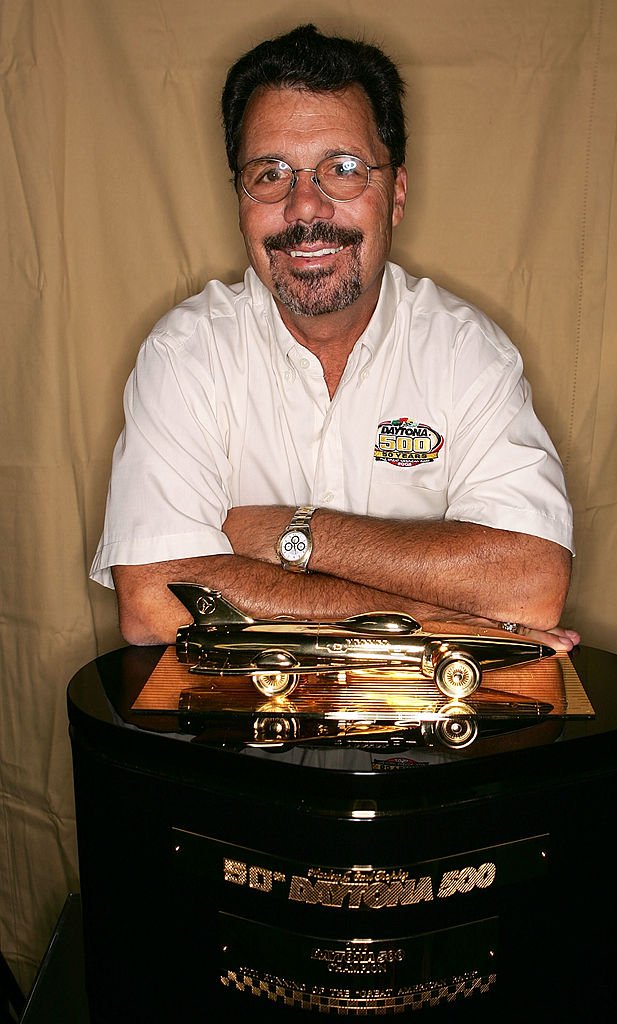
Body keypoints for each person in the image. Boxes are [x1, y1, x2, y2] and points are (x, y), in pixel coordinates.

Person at [90, 24, 578, 653]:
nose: (304, 209)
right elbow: (155, 604)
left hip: (425, 741)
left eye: (342, 170)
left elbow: (531, 587)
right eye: (270, 174)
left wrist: (292, 534)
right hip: (234, 745)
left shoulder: (465, 352)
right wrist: (436, 615)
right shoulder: (185, 354)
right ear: (239, 199)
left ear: (395, 194)